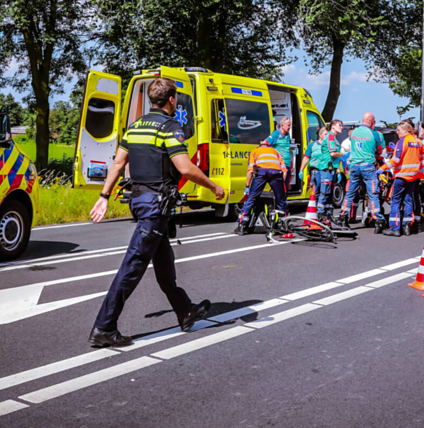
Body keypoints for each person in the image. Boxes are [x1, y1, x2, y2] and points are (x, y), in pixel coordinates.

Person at [87, 78, 223, 348]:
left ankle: (185, 311)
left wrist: (104, 196)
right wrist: (213, 186)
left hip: (140, 202)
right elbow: (184, 168)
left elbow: (118, 163)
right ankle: (104, 327)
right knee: (133, 266)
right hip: (155, 206)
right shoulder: (170, 127)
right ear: (172, 100)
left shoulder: (135, 127)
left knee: (163, 262)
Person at [339, 113, 388, 232]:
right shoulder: (374, 134)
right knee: (373, 194)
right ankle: (378, 220)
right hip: (368, 166)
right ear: (371, 121)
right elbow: (381, 151)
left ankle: (343, 217)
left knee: (350, 193)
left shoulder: (354, 132)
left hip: (354, 166)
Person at [383, 121, 424, 237]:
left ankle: (395, 228)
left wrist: (382, 168)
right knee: (408, 200)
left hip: (401, 176)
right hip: (413, 176)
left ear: (405, 130)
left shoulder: (403, 141)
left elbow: (396, 160)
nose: (397, 132)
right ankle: (407, 226)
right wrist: (419, 167)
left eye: (398, 130)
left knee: (395, 201)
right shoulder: (417, 141)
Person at [235, 140, 289, 235]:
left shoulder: (255, 151)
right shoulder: (275, 151)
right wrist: (280, 184)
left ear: (259, 146)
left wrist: (247, 186)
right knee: (281, 199)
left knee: (251, 198)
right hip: (276, 173)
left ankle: (242, 225)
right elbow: (284, 170)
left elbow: (250, 170)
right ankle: (283, 223)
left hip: (262, 172)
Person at [265, 116, 294, 188]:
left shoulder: (287, 135)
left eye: (290, 125)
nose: (290, 127)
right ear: (282, 125)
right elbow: (265, 143)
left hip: (287, 165)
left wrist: (291, 164)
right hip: (279, 166)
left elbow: (287, 149)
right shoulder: (276, 134)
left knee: (285, 188)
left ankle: (283, 198)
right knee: (279, 188)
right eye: (288, 125)